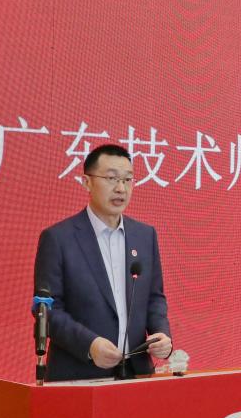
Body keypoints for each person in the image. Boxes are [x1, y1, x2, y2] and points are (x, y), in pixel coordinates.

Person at [33, 143, 173, 381]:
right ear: (87, 182)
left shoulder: (145, 235)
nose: (121, 188)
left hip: (136, 374)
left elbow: (154, 298)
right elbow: (47, 310)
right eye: (111, 178)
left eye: (127, 180)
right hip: (78, 375)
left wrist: (161, 334)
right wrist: (90, 345)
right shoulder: (58, 238)